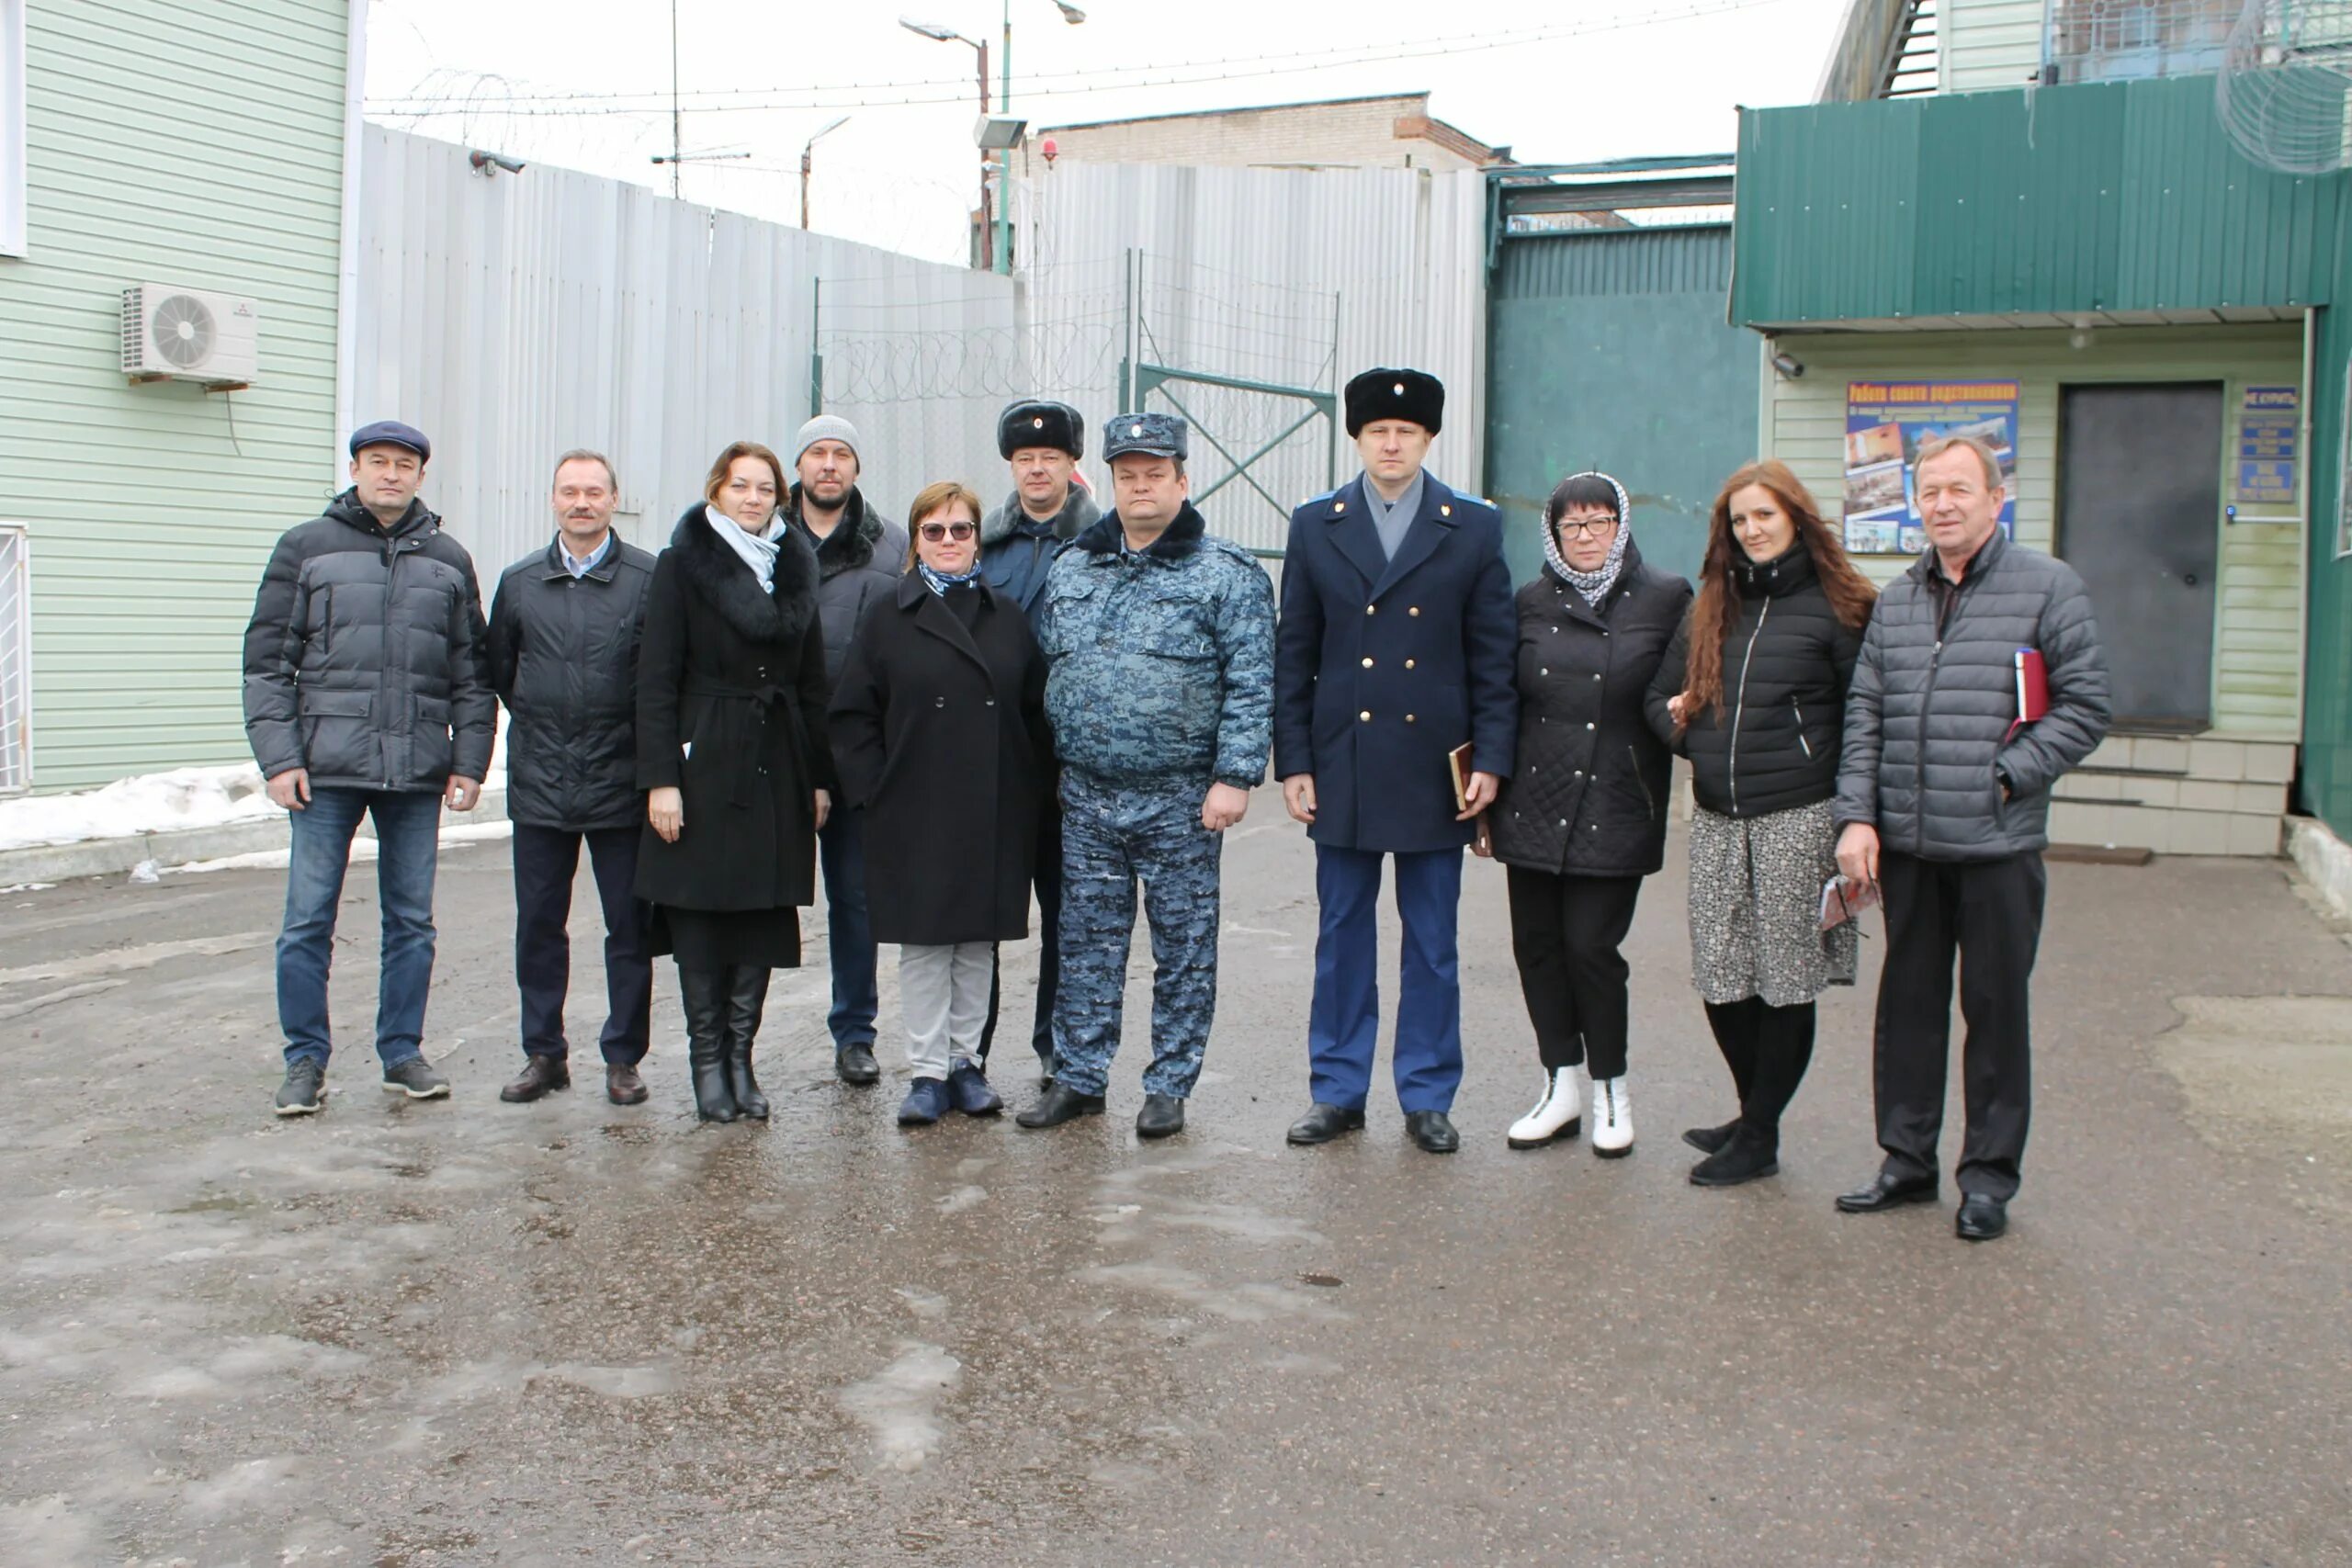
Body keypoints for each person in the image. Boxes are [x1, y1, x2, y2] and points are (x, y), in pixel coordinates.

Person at [1832, 434, 2109, 1241]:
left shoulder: (2048, 589)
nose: (1943, 505)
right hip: (1910, 847)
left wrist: (2009, 774)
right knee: (1908, 1007)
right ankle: (1906, 1161)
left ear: (1996, 498)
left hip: (1997, 846)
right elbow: (1866, 715)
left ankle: (1987, 1178)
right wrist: (1857, 814)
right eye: (1930, 493)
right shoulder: (1899, 599)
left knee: (1994, 1012)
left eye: (1960, 489)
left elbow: (2086, 706)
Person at [1273, 368, 1516, 1155]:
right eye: (1377, 430)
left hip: (1431, 766)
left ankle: (1427, 1092)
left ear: (1429, 439)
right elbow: (1295, 653)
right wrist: (1294, 760)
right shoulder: (1317, 524)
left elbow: (1493, 656)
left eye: (1406, 432)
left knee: (1432, 939)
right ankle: (1338, 1090)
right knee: (1342, 933)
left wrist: (1493, 759)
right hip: (1342, 762)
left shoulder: (1472, 527)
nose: (1390, 442)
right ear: (1356, 437)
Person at [1017, 412, 1275, 1139]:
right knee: (1084, 944)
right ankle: (1079, 1075)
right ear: (1109, 482)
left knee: (1183, 948)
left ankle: (1169, 1083)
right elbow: (1051, 673)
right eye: (1127, 475)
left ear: (1181, 480)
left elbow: (1253, 683)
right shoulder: (1074, 566)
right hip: (1089, 795)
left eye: (1154, 474)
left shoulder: (1225, 573)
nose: (1139, 487)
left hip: (1182, 798)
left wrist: (1235, 776)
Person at [243, 420, 494, 1116]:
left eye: (404, 463)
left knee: (411, 921)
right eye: (377, 461)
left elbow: (472, 674)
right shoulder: (306, 547)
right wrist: (280, 758)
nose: (390, 473)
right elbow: (267, 663)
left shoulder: (447, 558)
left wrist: (468, 760)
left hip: (416, 771)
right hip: (324, 770)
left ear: (421, 475)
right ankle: (305, 1061)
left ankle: (401, 1053)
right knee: (307, 920)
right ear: (354, 468)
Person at [1647, 460, 1876, 1184]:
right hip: (1716, 818)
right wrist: (1687, 733)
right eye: (1740, 520)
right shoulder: (1713, 604)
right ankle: (1753, 1113)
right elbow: (1658, 696)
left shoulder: (1841, 606)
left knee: (1785, 979)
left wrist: (1856, 818)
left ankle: (1760, 1132)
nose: (1752, 530)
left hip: (1798, 818)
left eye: (1765, 516)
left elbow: (1865, 718)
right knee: (1722, 974)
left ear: (1796, 519)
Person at [830, 481, 1053, 1127]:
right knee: (926, 946)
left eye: (961, 529)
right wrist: (876, 793)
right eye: (935, 530)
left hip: (992, 805)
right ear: (915, 539)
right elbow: (851, 716)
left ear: (978, 537)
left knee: (976, 943)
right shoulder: (886, 615)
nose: (949, 541)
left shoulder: (1006, 616)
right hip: (914, 806)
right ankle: (927, 1071)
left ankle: (965, 1063)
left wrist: (1028, 791)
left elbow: (1035, 712)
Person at [1482, 471, 1690, 1157]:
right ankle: (1559, 1084)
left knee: (1592, 950)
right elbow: (1503, 700)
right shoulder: (1531, 601)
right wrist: (1485, 794)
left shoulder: (1666, 597)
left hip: (1616, 797)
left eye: (1599, 522)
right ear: (1553, 533)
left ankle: (1610, 1090)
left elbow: (1681, 691)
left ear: (1622, 525)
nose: (1587, 536)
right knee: (1537, 948)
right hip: (1533, 801)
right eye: (1573, 525)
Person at [636, 441, 837, 1123]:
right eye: (740, 486)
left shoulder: (794, 566)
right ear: (716, 490)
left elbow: (811, 683)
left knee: (759, 911)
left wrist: (816, 777)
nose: (753, 499)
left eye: (764, 488)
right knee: (700, 911)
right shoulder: (680, 566)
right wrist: (662, 778)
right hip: (705, 755)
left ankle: (741, 1059)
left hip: (778, 756)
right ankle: (705, 1062)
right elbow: (655, 679)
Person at [485, 449, 659, 1108]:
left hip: (621, 782)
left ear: (615, 498)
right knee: (539, 925)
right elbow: (503, 670)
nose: (581, 502)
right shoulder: (521, 581)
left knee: (630, 928)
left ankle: (623, 1057)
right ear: (553, 499)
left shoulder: (647, 578)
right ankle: (544, 1054)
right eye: (569, 491)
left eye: (593, 491)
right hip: (541, 782)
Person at [781, 414, 907, 1089]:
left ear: (856, 468)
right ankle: (735, 1036)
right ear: (798, 465)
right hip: (775, 748)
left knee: (855, 898)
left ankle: (855, 1032)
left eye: (841, 454)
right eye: (817, 453)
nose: (829, 465)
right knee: (758, 897)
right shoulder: (762, 537)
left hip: (858, 750)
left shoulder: (889, 547)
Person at [976, 399, 1099, 1082]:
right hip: (996, 755)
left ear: (1071, 463)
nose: (1038, 470)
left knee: (1066, 912)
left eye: (1051, 457)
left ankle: (1055, 1047)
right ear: (1011, 465)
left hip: (1069, 757)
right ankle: (974, 1046)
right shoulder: (985, 541)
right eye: (1026, 459)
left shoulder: (1104, 542)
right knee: (987, 908)